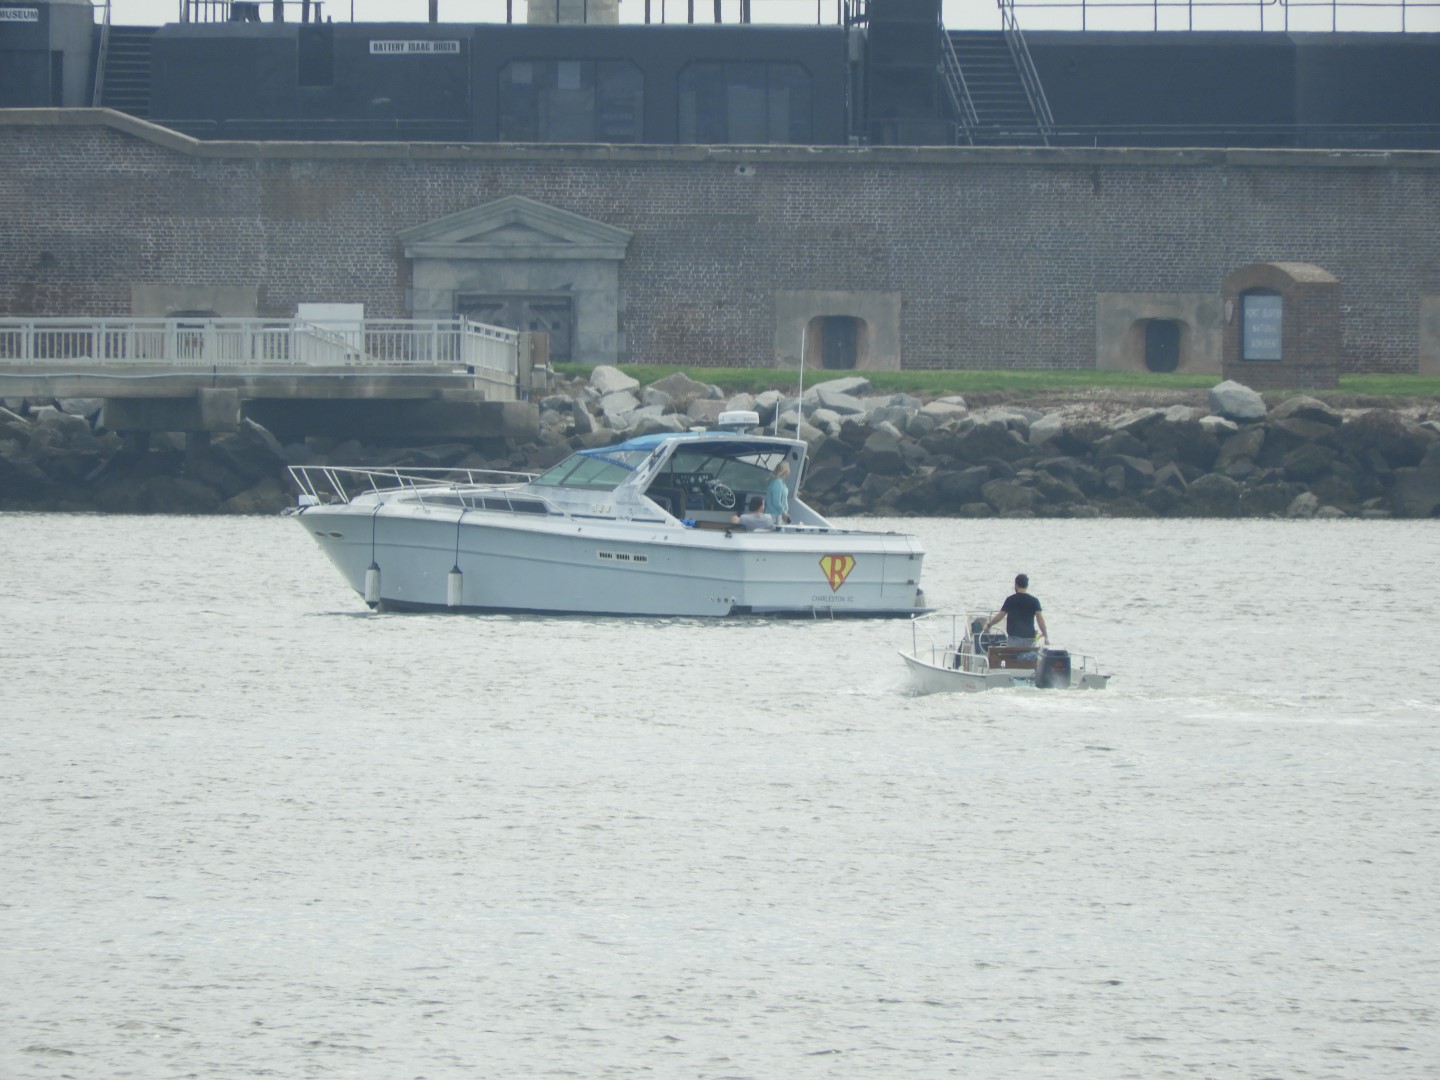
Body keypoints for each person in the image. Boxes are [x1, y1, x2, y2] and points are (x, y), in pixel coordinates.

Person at [983, 573, 1049, 647]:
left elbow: (1000, 616)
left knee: (1009, 657)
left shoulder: (1010, 600)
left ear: (1016, 585)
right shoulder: (1034, 601)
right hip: (1029, 641)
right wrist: (1046, 636)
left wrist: (989, 625)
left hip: (1014, 640)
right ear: (1027, 585)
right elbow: (1040, 620)